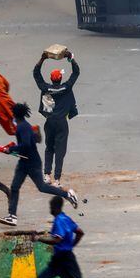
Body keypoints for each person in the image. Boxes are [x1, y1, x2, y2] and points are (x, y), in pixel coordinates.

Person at [0, 103, 78, 227]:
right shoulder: (25, 125)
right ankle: (12, 216)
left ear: (14, 114)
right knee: (14, 187)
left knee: (42, 187)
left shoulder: (22, 127)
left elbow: (26, 145)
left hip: (32, 163)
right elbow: (33, 140)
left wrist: (11, 149)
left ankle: (68, 194)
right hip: (24, 162)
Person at [34, 50, 80, 186]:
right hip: (62, 123)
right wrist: (71, 59)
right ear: (60, 78)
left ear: (51, 79)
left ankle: (47, 175)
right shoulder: (66, 87)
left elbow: (36, 74)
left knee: (49, 148)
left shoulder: (45, 88)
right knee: (60, 151)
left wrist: (42, 59)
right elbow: (76, 73)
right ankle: (57, 179)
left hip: (49, 122)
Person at [36, 196, 84, 278]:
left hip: (63, 259)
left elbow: (57, 239)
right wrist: (72, 245)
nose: (50, 209)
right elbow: (80, 232)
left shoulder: (59, 221)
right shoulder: (66, 218)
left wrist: (38, 238)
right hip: (64, 257)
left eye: (51, 206)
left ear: (55, 207)